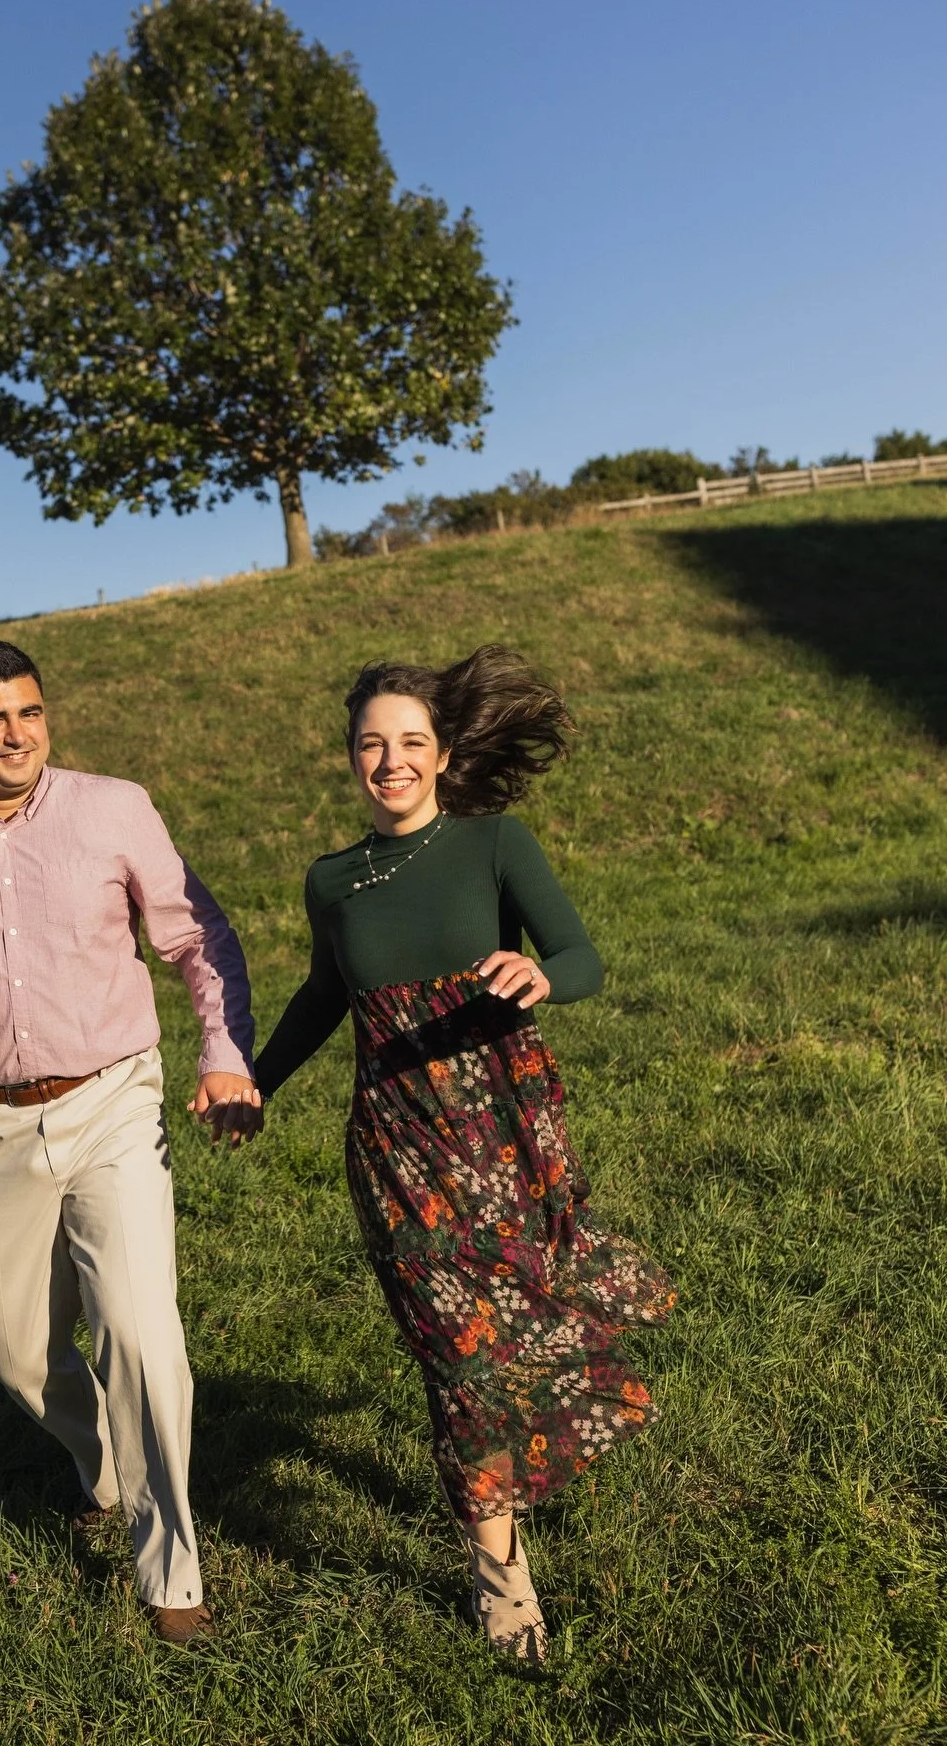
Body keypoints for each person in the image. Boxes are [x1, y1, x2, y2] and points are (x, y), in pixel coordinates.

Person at [0, 637, 261, 1646]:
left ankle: (172, 1573)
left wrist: (221, 1048)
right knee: (22, 1359)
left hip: (114, 1100)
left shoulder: (115, 808)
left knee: (142, 1334)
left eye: (29, 711)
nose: (16, 733)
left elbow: (198, 935)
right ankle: (103, 1467)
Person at [252, 646, 675, 1663]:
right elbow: (323, 997)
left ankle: (524, 1451)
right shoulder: (333, 880)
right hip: (397, 1148)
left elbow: (583, 958)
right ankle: (502, 1580)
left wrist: (538, 974)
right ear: (349, 758)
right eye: (371, 745)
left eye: (409, 743)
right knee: (458, 1363)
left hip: (507, 1131)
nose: (389, 762)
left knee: (527, 1321)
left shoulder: (494, 844)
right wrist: (255, 1083)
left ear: (442, 754)